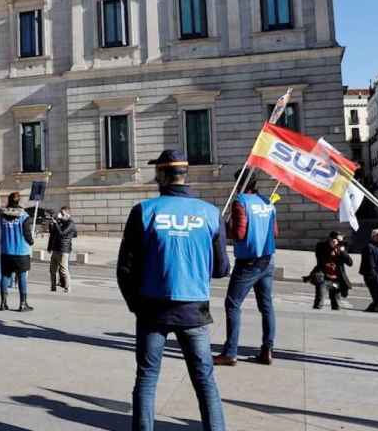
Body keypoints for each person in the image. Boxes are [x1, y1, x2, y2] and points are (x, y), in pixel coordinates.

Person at [117, 150, 229, 431]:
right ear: (184, 175)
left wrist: (136, 305)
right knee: (204, 379)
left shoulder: (144, 211)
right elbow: (221, 269)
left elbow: (125, 269)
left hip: (152, 308)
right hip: (194, 309)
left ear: (162, 176)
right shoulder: (210, 213)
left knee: (147, 377)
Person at [215, 172, 277, 367]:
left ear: (239, 184)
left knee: (232, 304)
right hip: (267, 259)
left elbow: (240, 234)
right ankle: (267, 350)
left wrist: (226, 228)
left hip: (248, 262)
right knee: (266, 306)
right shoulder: (267, 201)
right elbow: (275, 232)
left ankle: (230, 352)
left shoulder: (240, 201)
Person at [0, 192, 33, 312]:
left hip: (6, 250)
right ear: (19, 201)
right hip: (21, 251)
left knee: (5, 276)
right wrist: (31, 241)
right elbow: (27, 233)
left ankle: (3, 303)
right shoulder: (24, 215)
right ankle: (23, 304)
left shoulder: (2, 215)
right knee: (22, 276)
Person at [306, 231, 353, 310]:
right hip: (324, 278)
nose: (337, 243)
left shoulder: (341, 248)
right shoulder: (321, 247)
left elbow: (350, 263)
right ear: (330, 239)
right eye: (335, 241)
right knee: (319, 301)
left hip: (336, 280)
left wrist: (342, 251)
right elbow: (320, 259)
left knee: (336, 304)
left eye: (339, 242)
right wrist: (331, 248)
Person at [47, 206, 76, 293]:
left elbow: (62, 234)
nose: (60, 215)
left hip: (63, 249)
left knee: (63, 270)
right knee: (52, 270)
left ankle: (67, 287)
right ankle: (53, 287)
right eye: (60, 213)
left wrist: (56, 223)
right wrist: (51, 224)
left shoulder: (71, 223)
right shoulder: (60, 222)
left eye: (62, 214)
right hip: (55, 248)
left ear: (68, 214)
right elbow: (53, 233)